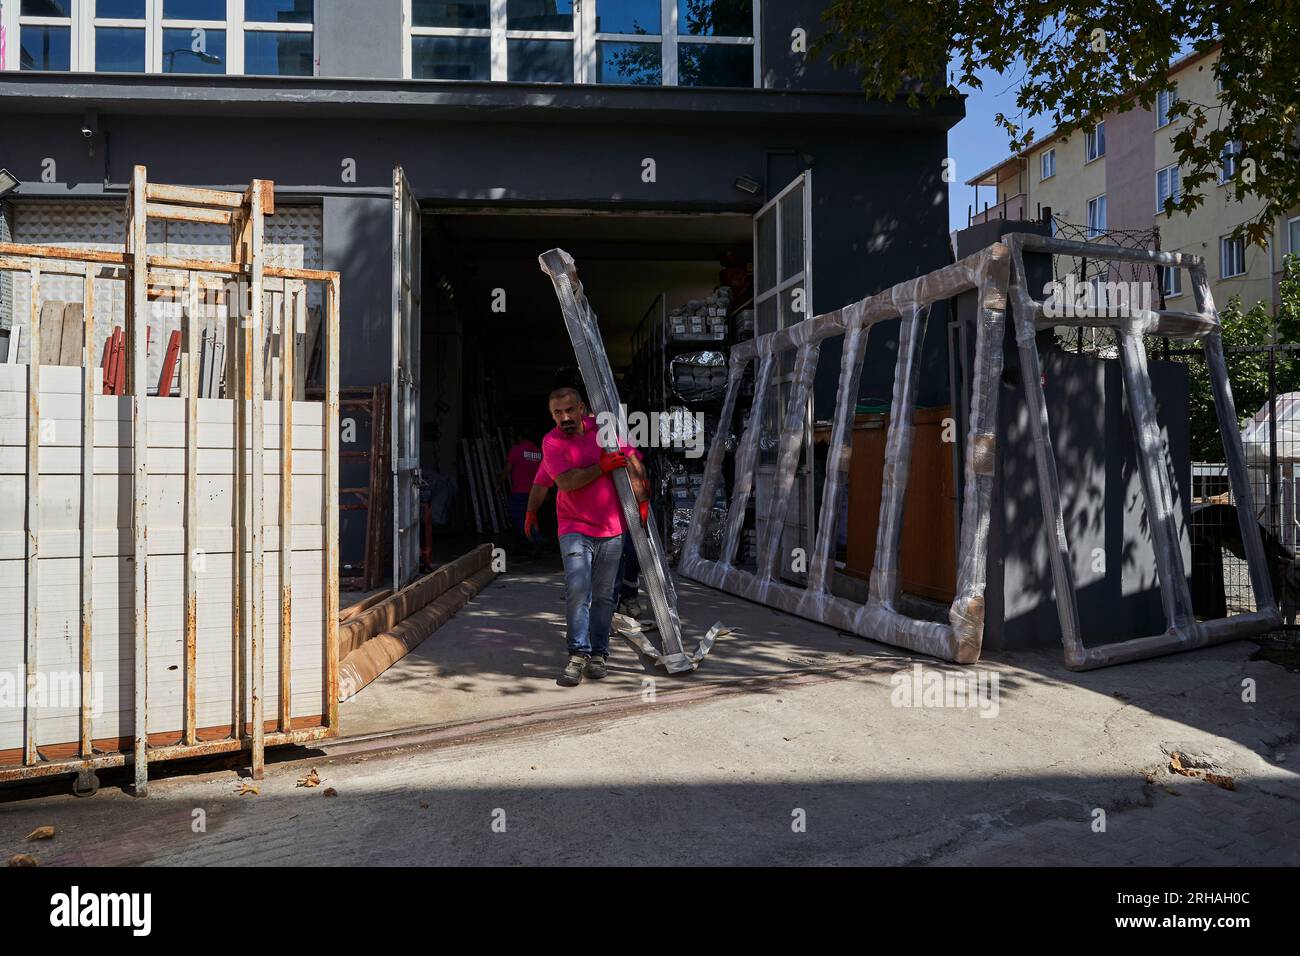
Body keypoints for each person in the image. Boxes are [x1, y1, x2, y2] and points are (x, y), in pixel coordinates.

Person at [527, 387, 645, 687]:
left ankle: (599, 655)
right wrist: (530, 512)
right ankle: (577, 654)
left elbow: (633, 462)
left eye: (569, 410)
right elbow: (562, 483)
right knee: (579, 589)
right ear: (551, 414)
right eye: (557, 413)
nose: (564, 417)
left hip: (612, 528)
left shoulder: (605, 430)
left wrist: (642, 502)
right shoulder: (552, 442)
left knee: (605, 595)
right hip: (574, 527)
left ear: (581, 408)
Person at [500, 432, 545, 556]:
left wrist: (499, 483)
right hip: (535, 492)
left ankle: (536, 539)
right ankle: (525, 544)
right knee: (531, 517)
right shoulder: (539, 452)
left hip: (520, 492)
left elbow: (508, 469)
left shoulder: (517, 450)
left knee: (517, 517)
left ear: (520, 437)